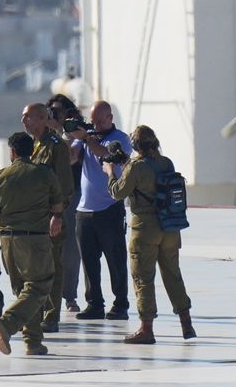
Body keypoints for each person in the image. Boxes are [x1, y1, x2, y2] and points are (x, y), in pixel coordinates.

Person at [105, 124, 194, 344]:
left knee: (143, 278)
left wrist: (110, 173)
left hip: (145, 228)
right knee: (173, 274)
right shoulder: (166, 162)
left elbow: (118, 192)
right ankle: (186, 323)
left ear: (135, 145)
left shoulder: (135, 167)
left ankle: (146, 329)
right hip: (170, 226)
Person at [0, 130, 64, 356]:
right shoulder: (44, 174)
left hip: (7, 240)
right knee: (40, 286)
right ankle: (7, 323)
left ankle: (33, 342)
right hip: (34, 239)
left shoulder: (1, 175)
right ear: (32, 151)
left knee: (24, 291)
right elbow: (57, 206)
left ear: (12, 152)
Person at [68, 99, 132, 322]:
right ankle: (94, 303)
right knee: (89, 262)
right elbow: (70, 157)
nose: (95, 125)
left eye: (99, 121)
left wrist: (87, 138)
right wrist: (69, 135)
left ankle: (120, 304)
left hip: (109, 208)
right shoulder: (86, 137)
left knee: (116, 260)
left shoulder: (120, 139)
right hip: (84, 210)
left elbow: (107, 156)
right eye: (92, 121)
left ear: (110, 118)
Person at [21, 102, 73, 332]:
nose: (23, 121)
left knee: (52, 266)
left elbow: (65, 186)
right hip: (33, 217)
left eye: (28, 117)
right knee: (34, 268)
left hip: (50, 218)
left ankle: (51, 316)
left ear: (42, 119)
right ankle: (36, 311)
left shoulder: (56, 146)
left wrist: (57, 215)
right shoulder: (33, 145)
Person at [46, 95, 83, 313]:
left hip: (70, 195)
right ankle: (46, 295)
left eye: (58, 111)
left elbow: (71, 157)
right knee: (45, 247)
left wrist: (63, 131)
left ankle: (69, 295)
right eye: (51, 111)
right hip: (46, 194)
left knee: (69, 249)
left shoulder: (75, 134)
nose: (54, 115)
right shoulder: (43, 137)